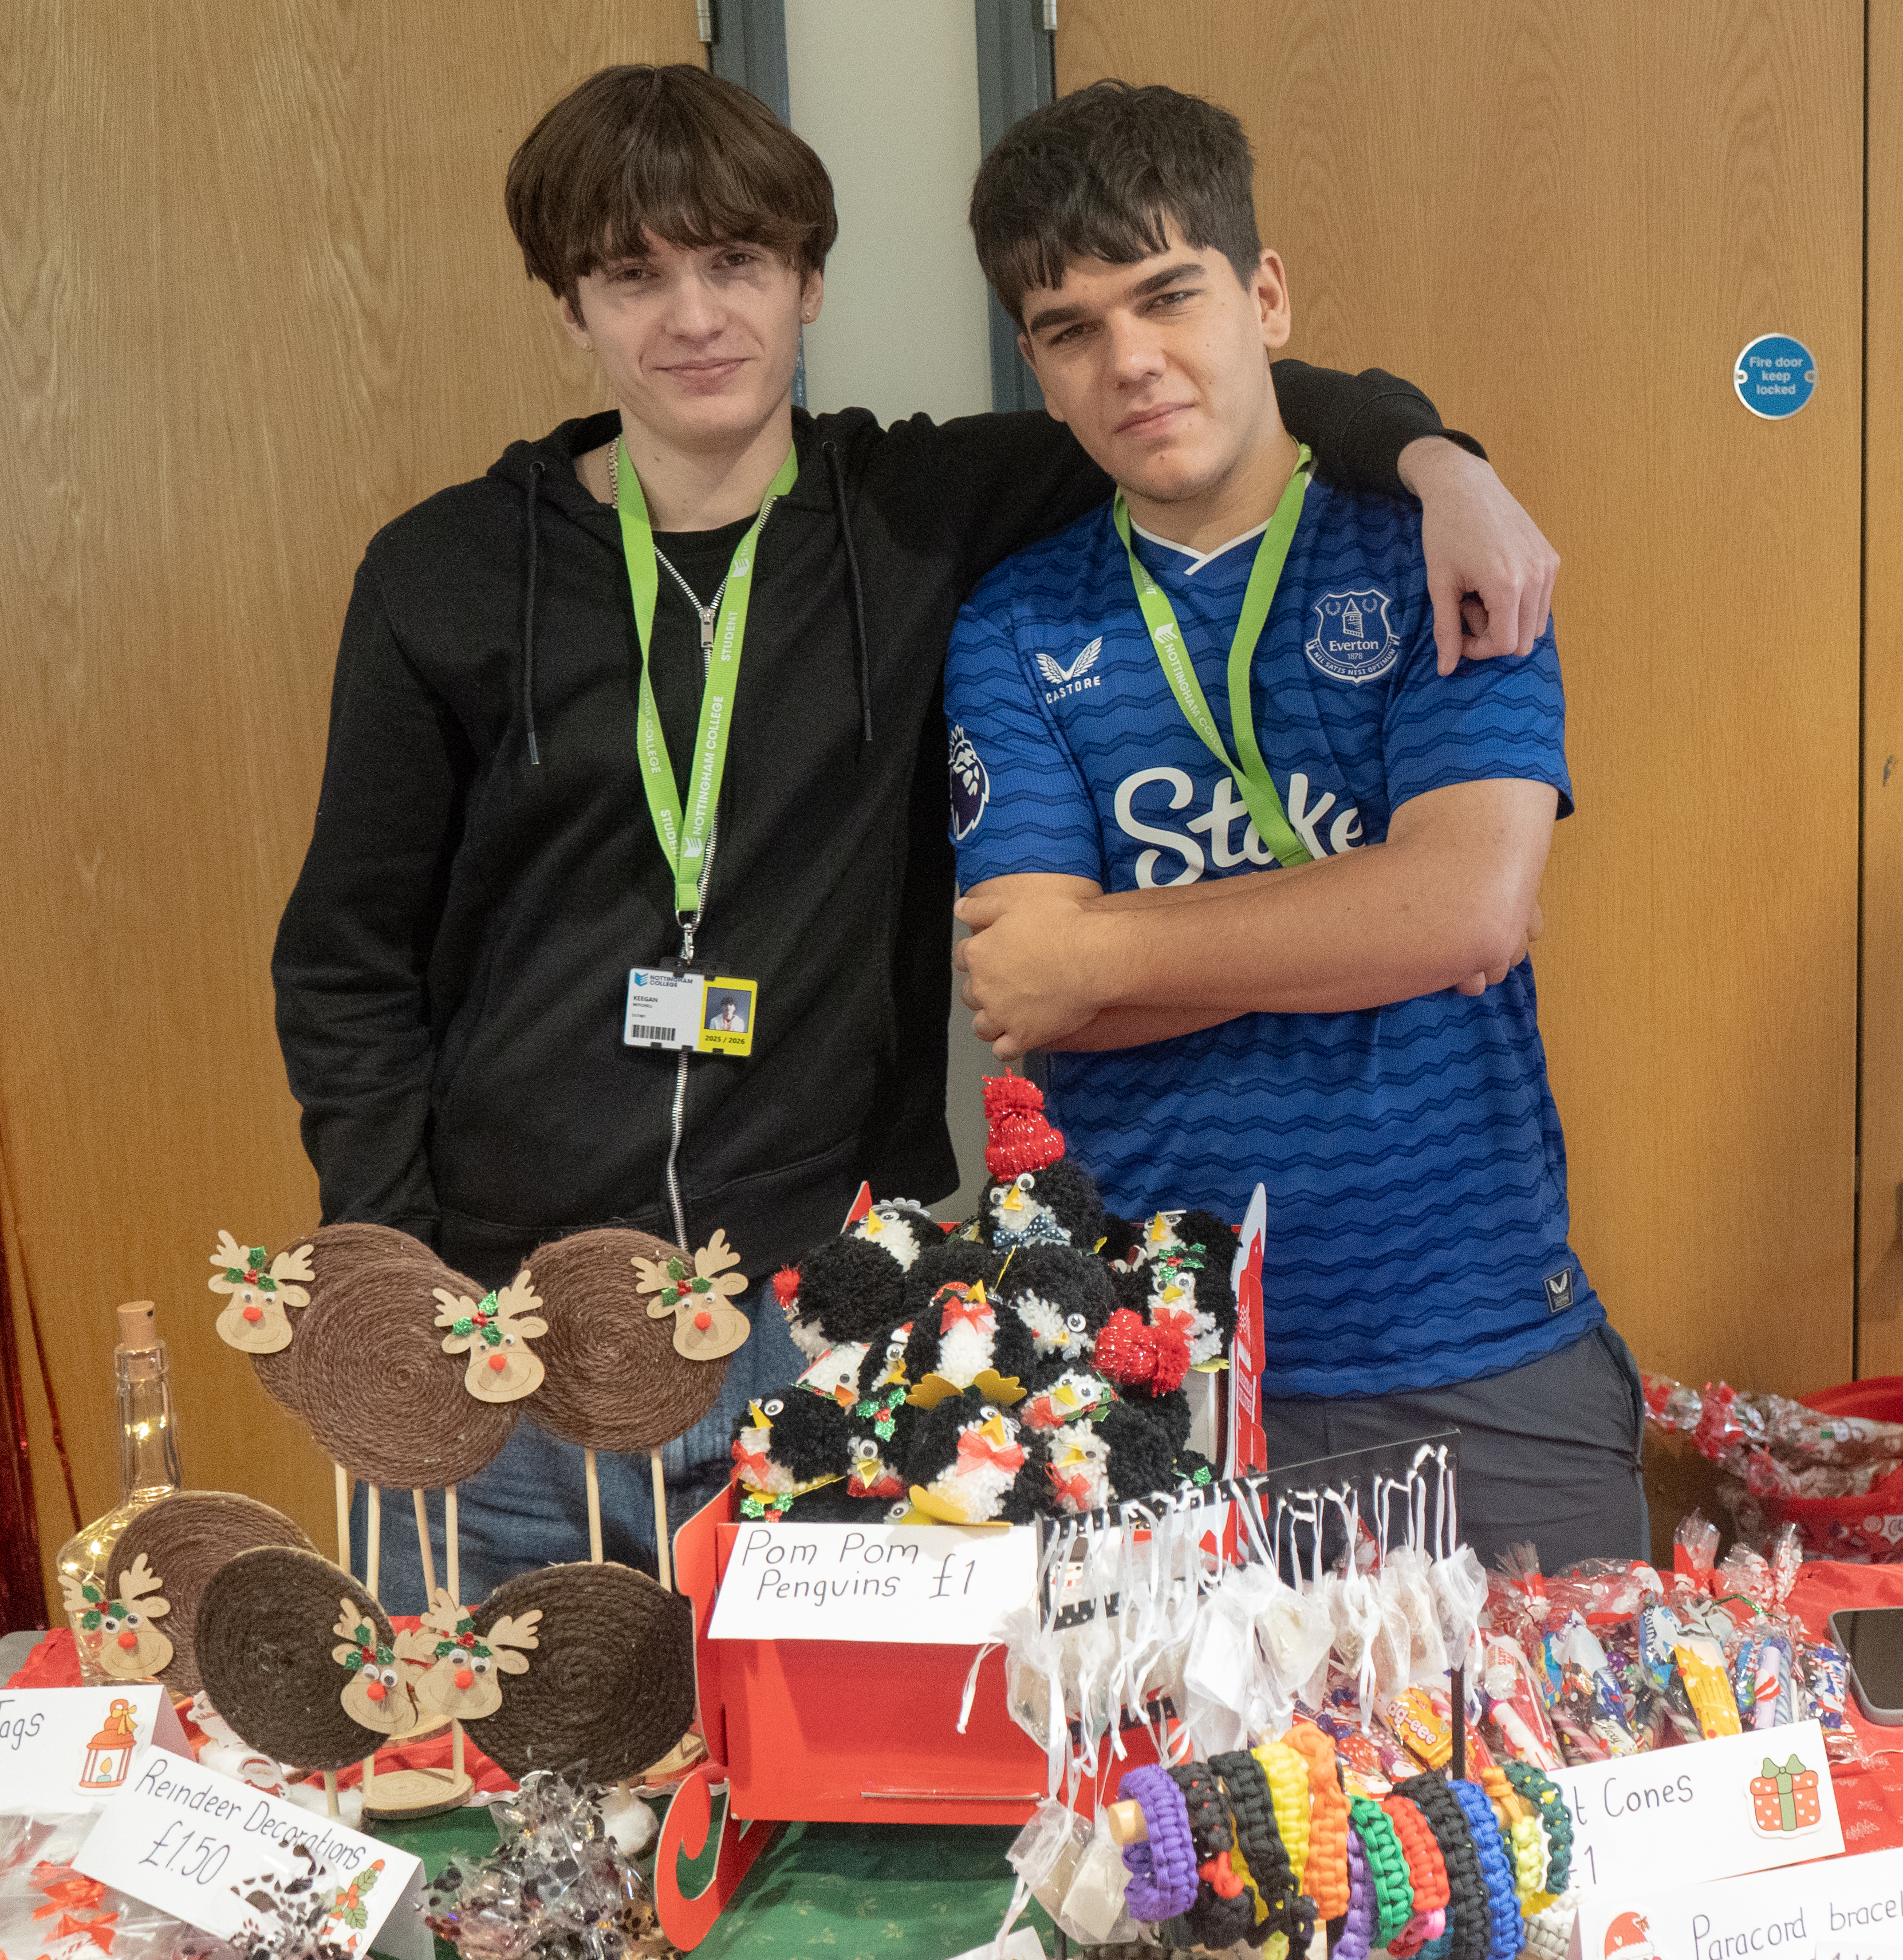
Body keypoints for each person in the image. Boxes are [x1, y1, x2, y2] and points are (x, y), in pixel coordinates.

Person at [272, 63, 1565, 1605]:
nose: (694, 317)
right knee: (475, 1742)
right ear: (571, 310)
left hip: (819, 1329)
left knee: (816, 1752)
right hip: (503, 1339)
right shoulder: (444, 575)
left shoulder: (920, 513)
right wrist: (395, 1286)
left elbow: (1217, 389)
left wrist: (1438, 462)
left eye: (735, 262)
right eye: (632, 277)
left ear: (809, 282)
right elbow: (347, 961)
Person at [948, 80, 1641, 1571]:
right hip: (1139, 1372)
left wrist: (1106, 952)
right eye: (1071, 330)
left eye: (1167, 295)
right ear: (1040, 374)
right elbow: (1023, 986)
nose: (1131, 360)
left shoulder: (1449, 553)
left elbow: (1462, 913)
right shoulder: (1015, 623)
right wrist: (1367, 917)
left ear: (1264, 298)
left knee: (1556, 1724)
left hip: (1470, 1345)